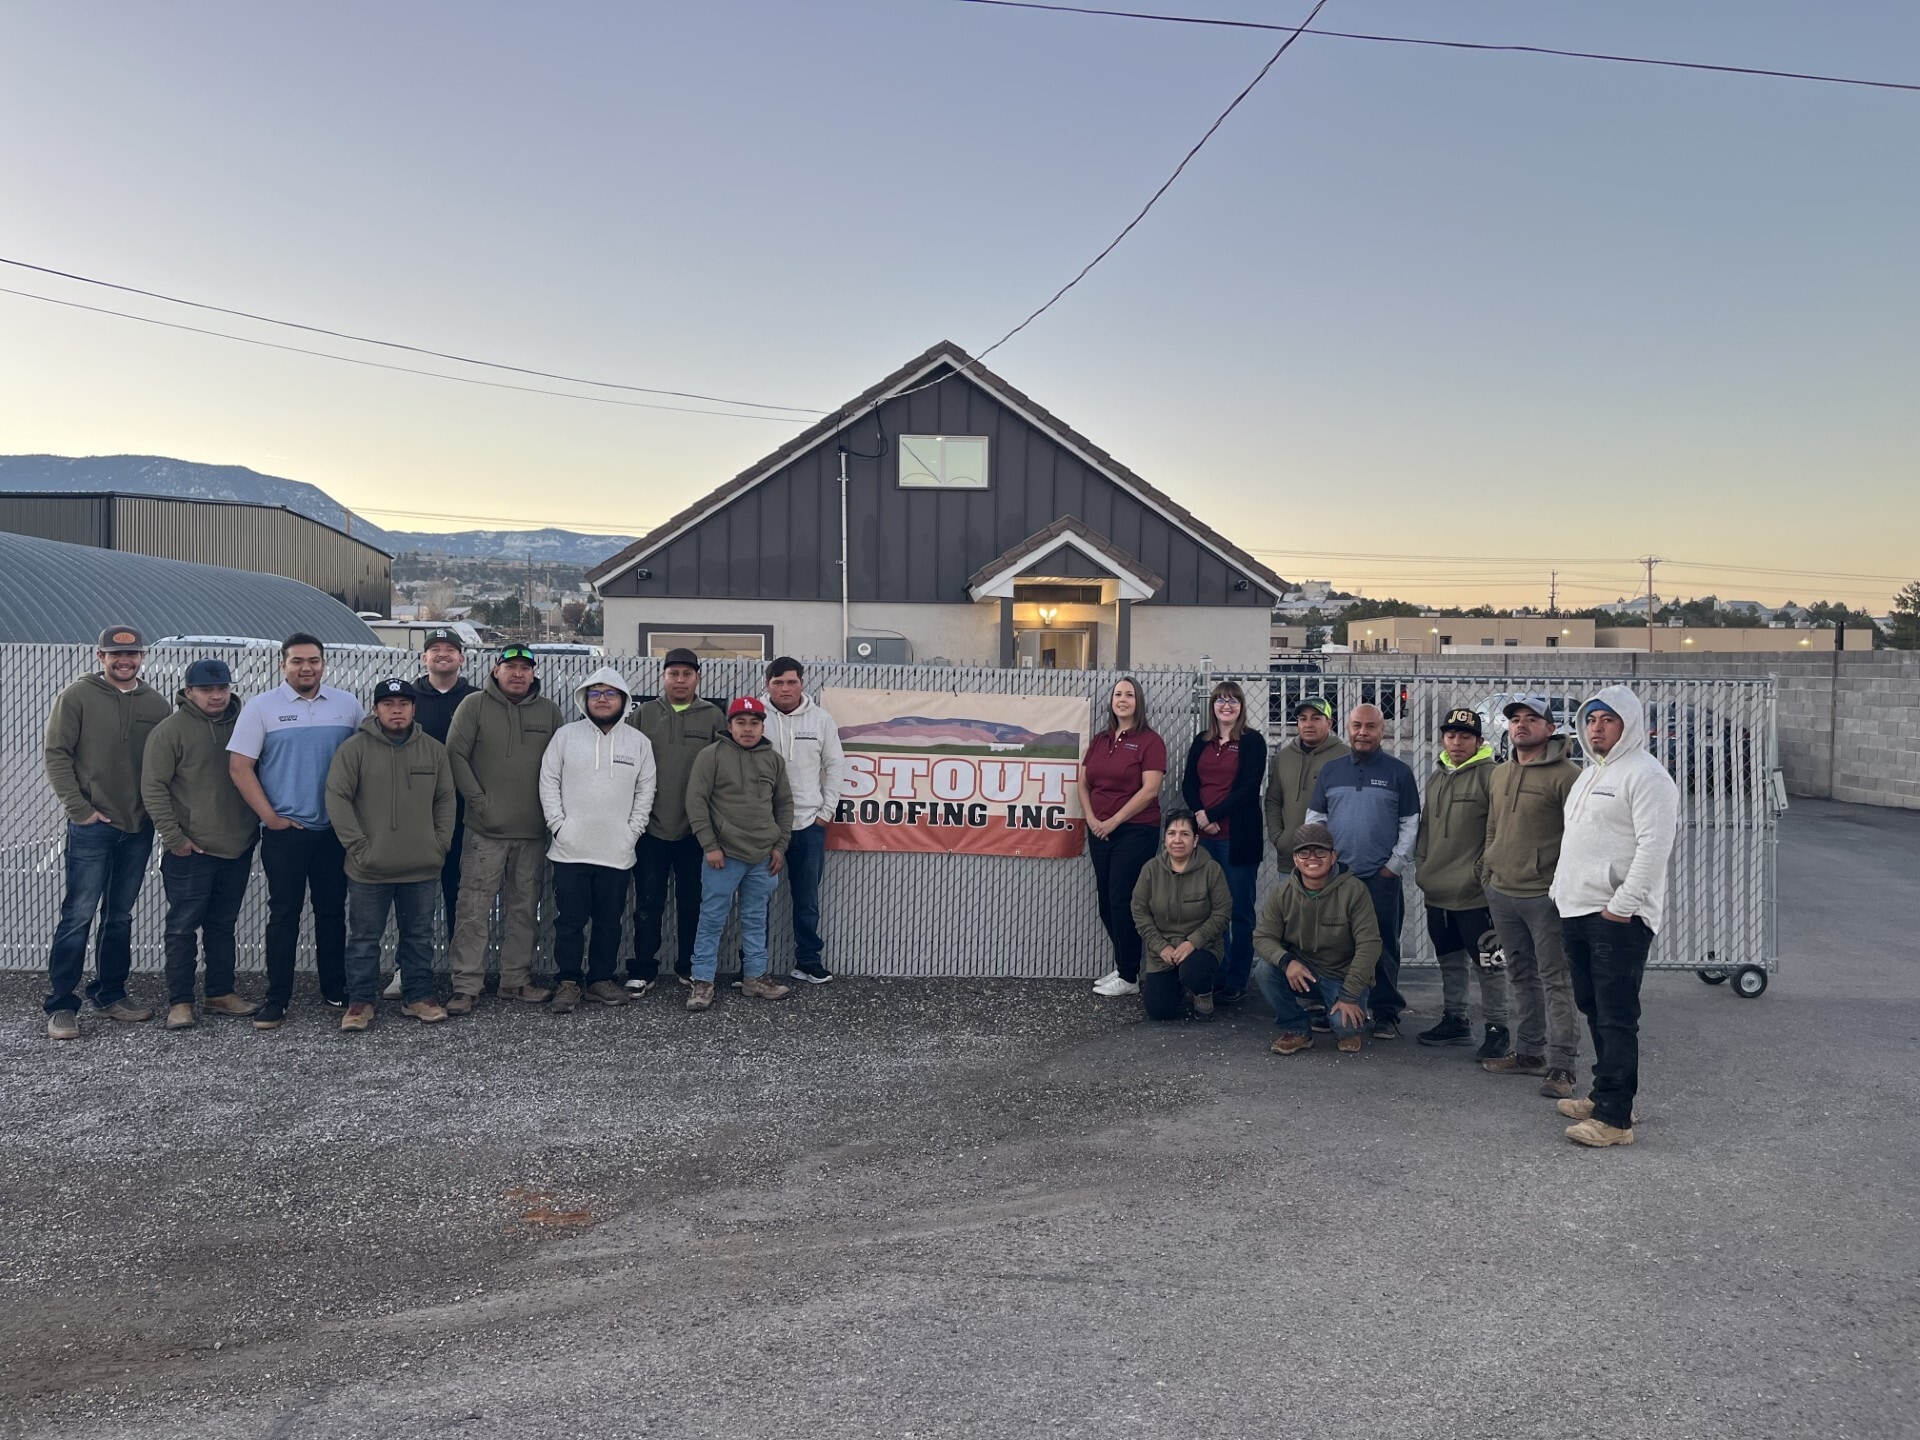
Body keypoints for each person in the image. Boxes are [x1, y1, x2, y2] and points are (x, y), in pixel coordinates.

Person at [1550, 687, 1678, 1148]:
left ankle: (1614, 1119)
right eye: (1591, 720)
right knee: (1594, 1008)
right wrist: (1559, 891)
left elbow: (1654, 848)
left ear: (1629, 724)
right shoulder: (1589, 775)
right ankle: (1605, 1092)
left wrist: (1621, 907)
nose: (1596, 728)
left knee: (1617, 1016)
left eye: (1607, 719)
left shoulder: (1648, 777)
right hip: (1576, 909)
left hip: (1615, 919)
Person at [40, 625, 171, 1039]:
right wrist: (80, 810)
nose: (124, 661)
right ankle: (62, 1005)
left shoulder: (156, 704)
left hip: (137, 828)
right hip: (93, 827)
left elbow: (166, 764)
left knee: (119, 916)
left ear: (142, 658)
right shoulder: (76, 697)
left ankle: (110, 994)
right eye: (115, 655)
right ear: (101, 657)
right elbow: (56, 754)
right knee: (78, 915)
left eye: (131, 656)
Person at [228, 633, 365, 1030]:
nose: (306, 668)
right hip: (286, 832)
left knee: (332, 913)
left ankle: (334, 988)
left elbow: (366, 758)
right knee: (284, 914)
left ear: (324, 663)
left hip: (333, 833)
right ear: (282, 664)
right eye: (297, 661)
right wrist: (271, 819)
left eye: (314, 660)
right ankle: (278, 997)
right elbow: (240, 767)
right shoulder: (261, 708)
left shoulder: (346, 705)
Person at [325, 679, 456, 1030]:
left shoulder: (433, 750)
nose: (396, 710)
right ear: (376, 709)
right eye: (388, 704)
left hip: (422, 866)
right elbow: (338, 798)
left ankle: (418, 997)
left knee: (418, 936)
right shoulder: (354, 750)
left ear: (414, 709)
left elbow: (445, 799)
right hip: (369, 867)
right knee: (364, 939)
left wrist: (439, 843)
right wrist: (358, 847)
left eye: (403, 703)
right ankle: (361, 1002)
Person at [141, 658, 261, 1030]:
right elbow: (154, 787)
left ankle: (220, 993)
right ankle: (180, 1002)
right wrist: (175, 838)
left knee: (222, 925)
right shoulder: (170, 732)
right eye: (206, 690)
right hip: (191, 851)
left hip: (236, 846)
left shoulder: (247, 725)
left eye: (222, 688)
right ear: (188, 692)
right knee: (181, 928)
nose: (215, 696)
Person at [445, 644, 563, 1013]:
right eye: (509, 667)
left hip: (532, 832)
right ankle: (465, 985)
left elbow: (562, 764)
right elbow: (455, 755)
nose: (517, 674)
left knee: (524, 911)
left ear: (533, 673)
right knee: (473, 909)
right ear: (496, 670)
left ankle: (515, 980)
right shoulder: (474, 706)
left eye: (524, 668)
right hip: (484, 832)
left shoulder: (550, 712)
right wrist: (478, 801)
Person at [1479, 696, 1584, 1097]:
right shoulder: (1500, 774)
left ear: (1550, 728)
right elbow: (1492, 827)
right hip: (1502, 892)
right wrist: (1488, 871)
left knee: (1556, 979)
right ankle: (1529, 1053)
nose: (1521, 725)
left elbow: (1577, 840)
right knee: (1519, 974)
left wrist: (1559, 886)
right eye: (1515, 720)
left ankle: (1563, 1065)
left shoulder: (1568, 776)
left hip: (1545, 897)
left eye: (1532, 719)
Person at [539, 667, 657, 1013]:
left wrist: (632, 831)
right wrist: (559, 825)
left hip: (617, 852)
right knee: (570, 922)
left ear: (623, 699)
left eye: (610, 693)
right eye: (595, 693)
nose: (602, 700)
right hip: (570, 850)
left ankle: (600, 980)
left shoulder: (638, 743)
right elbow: (548, 782)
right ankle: (569, 982)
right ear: (584, 699)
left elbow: (645, 790)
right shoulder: (565, 736)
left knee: (609, 921)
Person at [1307, 704, 1420, 1039]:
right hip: (1336, 878)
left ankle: (1386, 1013)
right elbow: (1315, 822)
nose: (1362, 733)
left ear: (1382, 730)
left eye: (1370, 727)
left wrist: (1392, 868)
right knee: (1331, 943)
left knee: (1384, 944)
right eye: (1356, 726)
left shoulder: (1399, 773)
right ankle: (1331, 1005)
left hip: (1379, 878)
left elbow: (1410, 825)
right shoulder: (1330, 771)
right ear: (1347, 727)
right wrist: (1322, 865)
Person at [683, 697, 794, 1013]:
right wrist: (710, 845)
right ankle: (702, 981)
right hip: (723, 856)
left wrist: (779, 846)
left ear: (762, 726)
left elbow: (784, 805)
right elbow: (696, 802)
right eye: (741, 722)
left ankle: (755, 977)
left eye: (754, 723)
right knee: (711, 919)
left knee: (756, 918)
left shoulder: (773, 760)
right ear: (729, 726)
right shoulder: (711, 756)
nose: (748, 729)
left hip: (763, 857)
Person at [626, 647, 726, 992]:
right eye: (673, 674)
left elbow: (722, 770)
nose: (679, 680)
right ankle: (643, 968)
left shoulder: (713, 716)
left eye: (686, 674)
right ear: (663, 677)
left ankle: (688, 966)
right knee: (648, 902)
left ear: (697, 677)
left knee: (692, 903)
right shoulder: (644, 715)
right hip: (650, 827)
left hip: (696, 831)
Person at [1413, 707, 1510, 1060]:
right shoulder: (1437, 776)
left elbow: (1500, 832)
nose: (1456, 742)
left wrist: (1481, 873)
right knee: (1449, 960)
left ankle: (1498, 1028)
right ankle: (1455, 1019)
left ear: (1480, 741)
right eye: (1451, 735)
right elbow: (1425, 829)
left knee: (1490, 963)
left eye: (1465, 736)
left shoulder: (1493, 776)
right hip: (1437, 890)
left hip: (1475, 894)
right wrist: (1422, 867)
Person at [396, 626, 478, 996]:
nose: (442, 654)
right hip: (416, 813)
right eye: (435, 649)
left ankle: (462, 973)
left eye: (450, 649)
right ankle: (408, 970)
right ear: (424, 657)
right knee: (414, 895)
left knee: (459, 894)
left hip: (464, 813)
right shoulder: (405, 699)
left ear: (462, 657)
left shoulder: (477, 699)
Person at [1252, 822, 1382, 1054]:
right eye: (1304, 852)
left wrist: (1350, 995)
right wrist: (1287, 961)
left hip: (1342, 975)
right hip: (1304, 972)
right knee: (1264, 970)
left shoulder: (1355, 891)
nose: (1312, 858)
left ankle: (1341, 1011)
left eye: (1320, 851)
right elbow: (1263, 937)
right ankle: (1297, 1029)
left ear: (1333, 857)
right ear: (1295, 858)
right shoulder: (1282, 893)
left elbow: (1369, 945)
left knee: (1347, 1030)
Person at [1076, 676, 1167, 999]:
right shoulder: (1101, 740)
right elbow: (1083, 782)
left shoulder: (1149, 741)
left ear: (1138, 702)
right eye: (1118, 694)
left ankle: (1129, 976)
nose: (1123, 699)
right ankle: (1124, 964)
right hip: (1099, 830)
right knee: (1105, 903)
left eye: (1129, 694)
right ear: (1111, 701)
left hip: (1135, 830)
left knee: (1122, 900)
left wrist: (1113, 820)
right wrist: (1090, 817)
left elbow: (1150, 790)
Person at [1180, 680, 1266, 1005]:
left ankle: (1237, 979)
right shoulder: (1201, 742)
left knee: (1240, 912)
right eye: (1220, 700)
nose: (1226, 706)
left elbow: (1248, 788)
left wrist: (1214, 814)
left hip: (1237, 839)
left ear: (1241, 706)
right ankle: (1215, 973)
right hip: (1206, 841)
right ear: (1212, 705)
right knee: (1210, 911)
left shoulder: (1252, 742)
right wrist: (1200, 815)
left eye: (1233, 701)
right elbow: (1189, 782)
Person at [761, 657, 846, 984]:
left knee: (807, 900)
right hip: (763, 827)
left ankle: (808, 961)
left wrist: (825, 813)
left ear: (802, 683)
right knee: (759, 900)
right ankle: (754, 967)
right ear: (768, 684)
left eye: (791, 682)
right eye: (778, 682)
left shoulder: (821, 720)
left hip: (809, 825)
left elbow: (836, 766)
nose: (785, 688)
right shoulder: (754, 717)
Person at [1130, 810, 1230, 1022]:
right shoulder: (1150, 870)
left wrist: (1193, 942)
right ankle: (1176, 984)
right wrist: (1160, 946)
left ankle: (1202, 993)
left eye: (1184, 834)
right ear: (1164, 838)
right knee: (1160, 1012)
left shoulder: (1212, 870)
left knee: (1193, 970)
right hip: (1163, 951)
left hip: (1201, 948)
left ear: (1195, 840)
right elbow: (1139, 912)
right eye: (1171, 833)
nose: (1177, 840)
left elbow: (1222, 912)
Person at [1263, 695, 1349, 861]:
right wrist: (1279, 839)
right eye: (1303, 719)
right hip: (1290, 856)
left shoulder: (1345, 756)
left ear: (1329, 723)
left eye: (1316, 718)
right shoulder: (1284, 757)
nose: (1308, 724)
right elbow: (1273, 800)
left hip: (1332, 858)